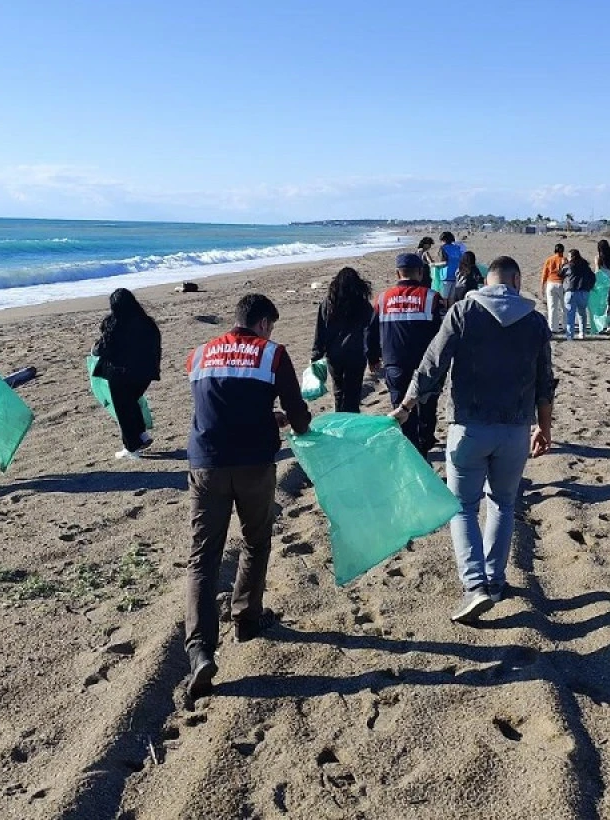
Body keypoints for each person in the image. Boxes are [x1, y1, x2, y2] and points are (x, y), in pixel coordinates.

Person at [393, 255, 554, 623]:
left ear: (487, 281)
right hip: (514, 430)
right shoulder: (534, 321)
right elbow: (545, 381)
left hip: (468, 427)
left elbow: (432, 365)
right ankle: (495, 581)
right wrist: (544, 428)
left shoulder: (464, 312)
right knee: (502, 503)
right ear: (516, 281)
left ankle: (474, 584)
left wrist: (406, 406)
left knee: (463, 506)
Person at [184, 293, 312, 701]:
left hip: (206, 463)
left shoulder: (200, 354)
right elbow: (299, 413)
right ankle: (246, 618)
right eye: (269, 327)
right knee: (256, 540)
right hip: (255, 463)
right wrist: (292, 424)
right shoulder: (272, 354)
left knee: (203, 557)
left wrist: (264, 414)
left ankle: (201, 649)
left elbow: (217, 405)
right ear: (262, 324)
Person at [368, 253, 444, 455]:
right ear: (420, 272)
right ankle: (425, 443)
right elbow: (443, 332)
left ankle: (411, 449)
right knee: (427, 406)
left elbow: (371, 330)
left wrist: (373, 358)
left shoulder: (382, 299)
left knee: (401, 408)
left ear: (397, 273)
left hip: (395, 364)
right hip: (425, 365)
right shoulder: (431, 297)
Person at [92, 288, 162, 459]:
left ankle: (131, 447)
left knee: (123, 410)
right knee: (131, 402)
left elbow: (103, 348)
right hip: (145, 374)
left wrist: (95, 350)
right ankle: (142, 436)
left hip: (120, 374)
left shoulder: (112, 323)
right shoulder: (147, 322)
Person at [310, 266, 375, 412]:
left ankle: (340, 418)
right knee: (353, 392)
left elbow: (320, 330)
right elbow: (370, 332)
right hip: (356, 354)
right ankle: (351, 421)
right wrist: (373, 356)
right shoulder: (363, 305)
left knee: (339, 392)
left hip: (334, 355)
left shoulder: (328, 303)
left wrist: (316, 354)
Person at [561, 248, 596, 340]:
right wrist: (589, 287)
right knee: (582, 313)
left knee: (570, 314)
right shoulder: (585, 266)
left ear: (571, 257)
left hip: (571, 291)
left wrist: (563, 264)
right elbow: (593, 277)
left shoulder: (567, 266)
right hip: (583, 292)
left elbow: (560, 274)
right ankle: (582, 333)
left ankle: (570, 335)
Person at [539, 243, 566, 333]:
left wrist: (542, 285)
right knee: (564, 307)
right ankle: (565, 325)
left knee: (552, 307)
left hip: (550, 284)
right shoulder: (564, 259)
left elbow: (544, 274)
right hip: (561, 284)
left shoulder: (549, 260)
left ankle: (552, 327)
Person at [438, 231, 465, 303]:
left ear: (443, 240)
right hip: (456, 274)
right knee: (451, 297)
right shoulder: (457, 248)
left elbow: (444, 262)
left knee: (444, 297)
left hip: (446, 275)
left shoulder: (443, 248)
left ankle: (445, 312)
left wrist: (434, 264)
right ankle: (450, 311)